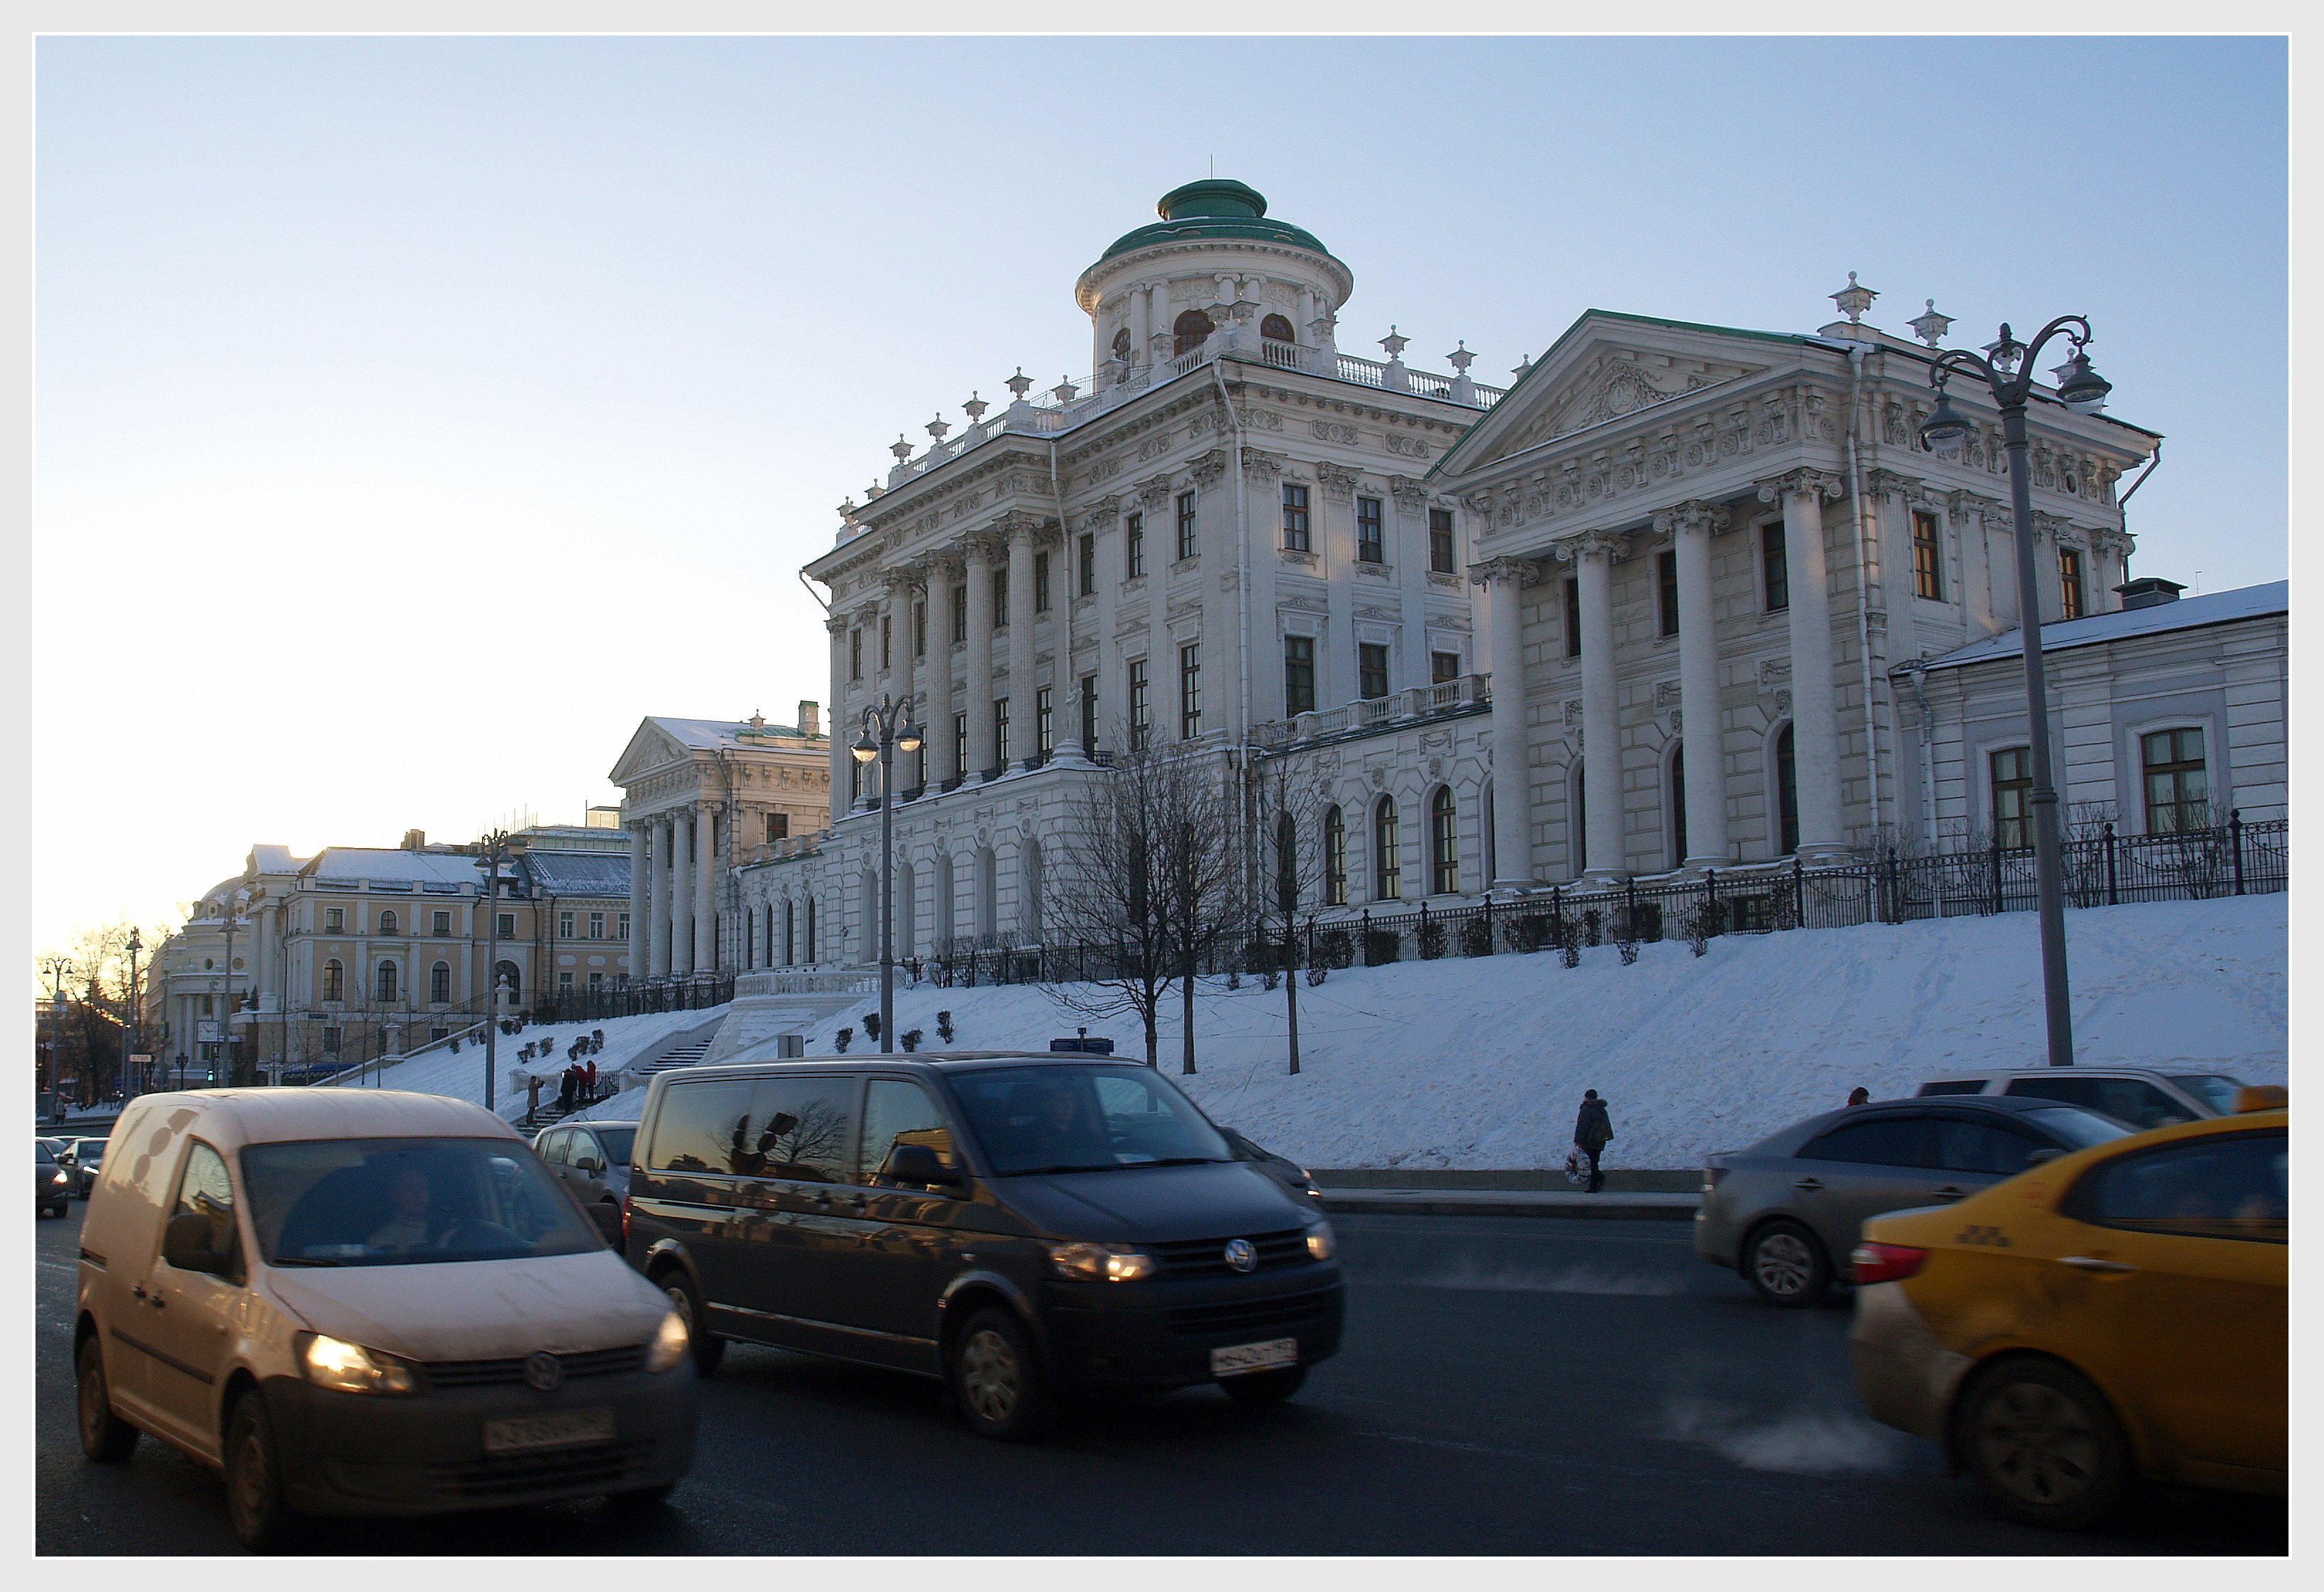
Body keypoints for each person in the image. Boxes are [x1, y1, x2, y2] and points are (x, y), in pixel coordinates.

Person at [367, 1163, 434, 1255]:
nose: (418, 1195)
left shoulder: (445, 1229)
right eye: (410, 1189)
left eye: (422, 1188)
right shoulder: (382, 1240)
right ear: (395, 1195)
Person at [1573, 1089, 1613, 1194]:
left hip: (1588, 1141)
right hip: (1599, 1141)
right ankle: (1595, 1183)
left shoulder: (1587, 1109)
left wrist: (1578, 1140)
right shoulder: (1601, 1108)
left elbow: (1582, 1126)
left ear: (1586, 1097)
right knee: (1594, 1162)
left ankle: (1596, 1182)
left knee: (1588, 1164)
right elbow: (1606, 1125)